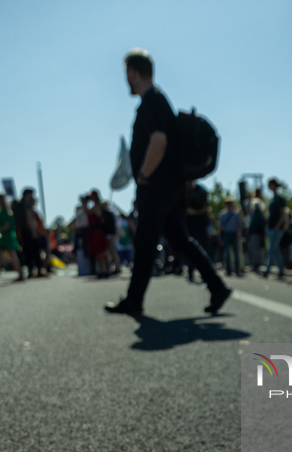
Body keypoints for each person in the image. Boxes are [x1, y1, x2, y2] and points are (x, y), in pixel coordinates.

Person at [105, 49, 231, 316]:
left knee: (146, 241)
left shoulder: (154, 101)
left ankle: (134, 300)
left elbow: (158, 141)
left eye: (127, 74)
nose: (126, 80)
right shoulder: (156, 100)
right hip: (170, 185)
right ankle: (217, 287)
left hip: (158, 185)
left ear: (133, 72)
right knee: (180, 239)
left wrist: (143, 176)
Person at [0, 194, 24, 281]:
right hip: (8, 236)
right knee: (7, 255)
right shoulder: (6, 210)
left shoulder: (4, 211)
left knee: (5, 255)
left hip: (7, 236)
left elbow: (6, 225)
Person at [185, 181, 210, 281]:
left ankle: (206, 273)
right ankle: (191, 272)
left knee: (202, 248)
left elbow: (206, 208)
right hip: (189, 224)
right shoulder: (184, 191)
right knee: (190, 248)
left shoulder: (201, 190)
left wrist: (194, 212)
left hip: (200, 224)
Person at [263, 178, 286, 279]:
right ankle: (281, 270)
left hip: (277, 228)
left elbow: (282, 213)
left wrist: (278, 225)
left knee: (271, 249)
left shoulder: (279, 199)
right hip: (271, 228)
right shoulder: (272, 199)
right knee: (275, 250)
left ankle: (267, 270)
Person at [218, 197, 242, 276]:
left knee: (236, 253)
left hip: (234, 234)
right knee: (227, 253)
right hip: (226, 234)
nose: (228, 205)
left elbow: (238, 225)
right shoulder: (222, 214)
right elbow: (220, 226)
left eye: (230, 203)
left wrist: (239, 234)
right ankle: (228, 269)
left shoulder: (236, 214)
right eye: (227, 203)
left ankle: (237, 269)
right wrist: (219, 237)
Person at [247, 188, 266, 272]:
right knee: (257, 248)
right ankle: (256, 264)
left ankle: (255, 264)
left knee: (254, 248)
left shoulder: (254, 214)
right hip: (259, 231)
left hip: (254, 232)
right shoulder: (261, 213)